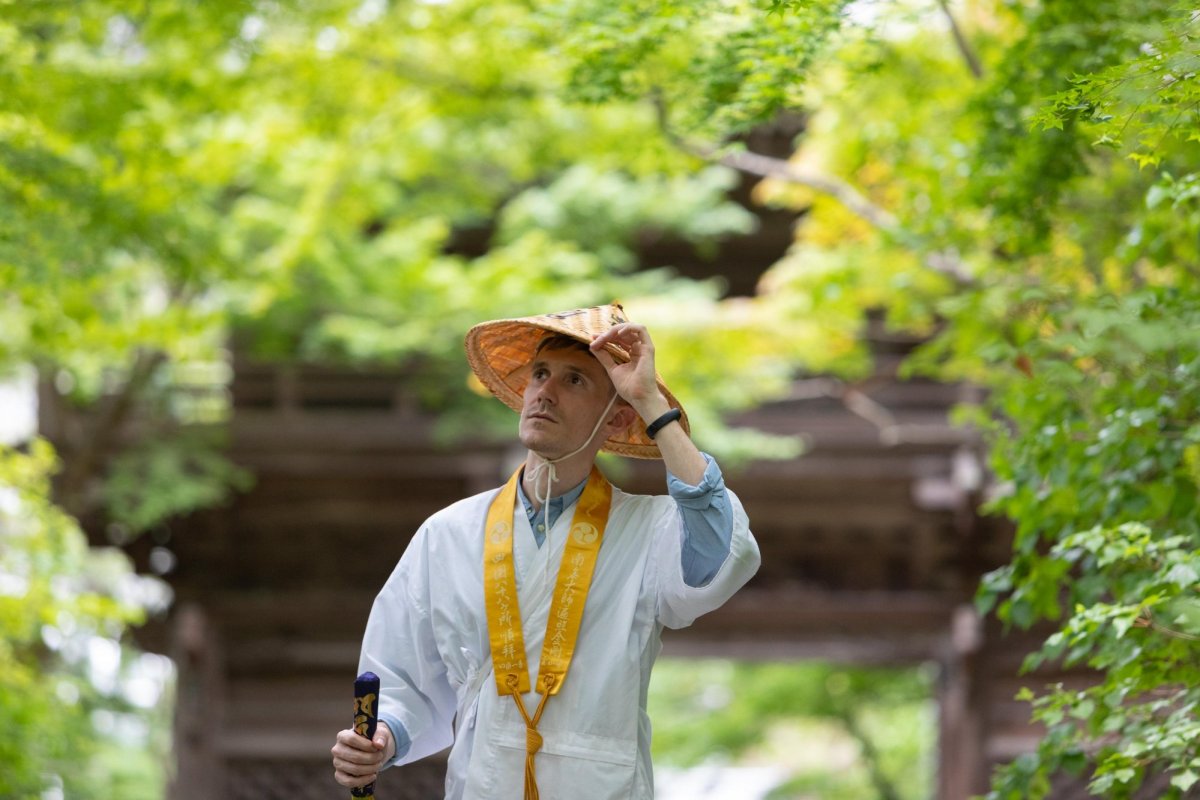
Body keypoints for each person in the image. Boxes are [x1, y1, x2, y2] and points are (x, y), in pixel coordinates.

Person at [331, 304, 760, 799]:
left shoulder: (652, 529)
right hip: (483, 782)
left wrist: (649, 402)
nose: (545, 393)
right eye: (540, 374)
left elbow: (721, 554)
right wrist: (382, 738)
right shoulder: (449, 532)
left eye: (574, 380)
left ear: (617, 417)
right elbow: (400, 674)